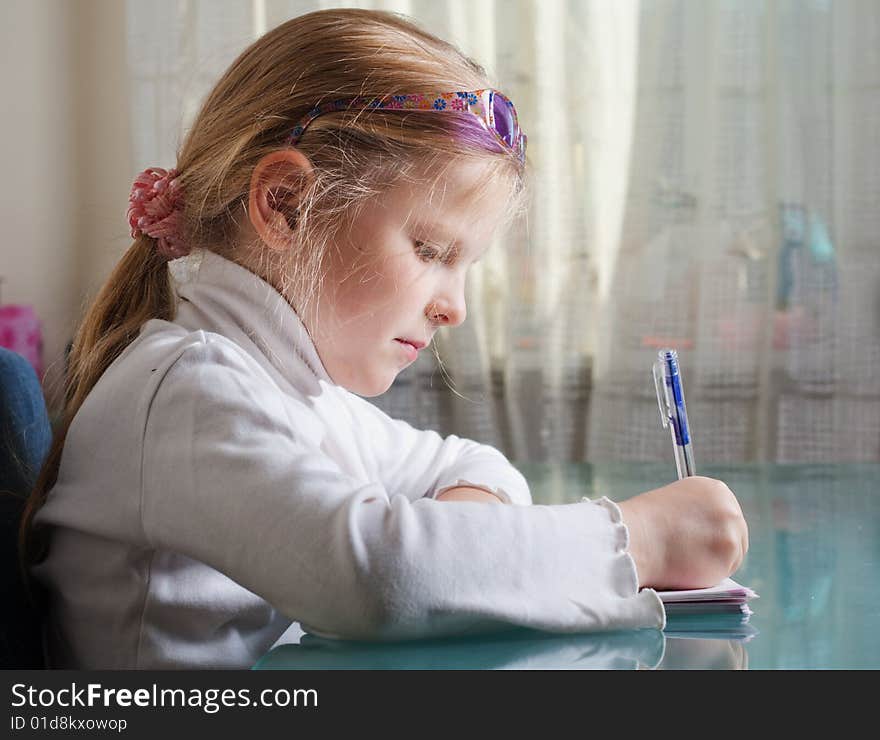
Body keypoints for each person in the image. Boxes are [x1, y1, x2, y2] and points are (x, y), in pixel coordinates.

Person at [20, 8, 748, 669]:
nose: (453, 308)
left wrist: (458, 549)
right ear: (286, 204)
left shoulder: (292, 390)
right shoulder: (186, 388)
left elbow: (471, 463)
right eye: (431, 250)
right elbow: (379, 577)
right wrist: (640, 540)